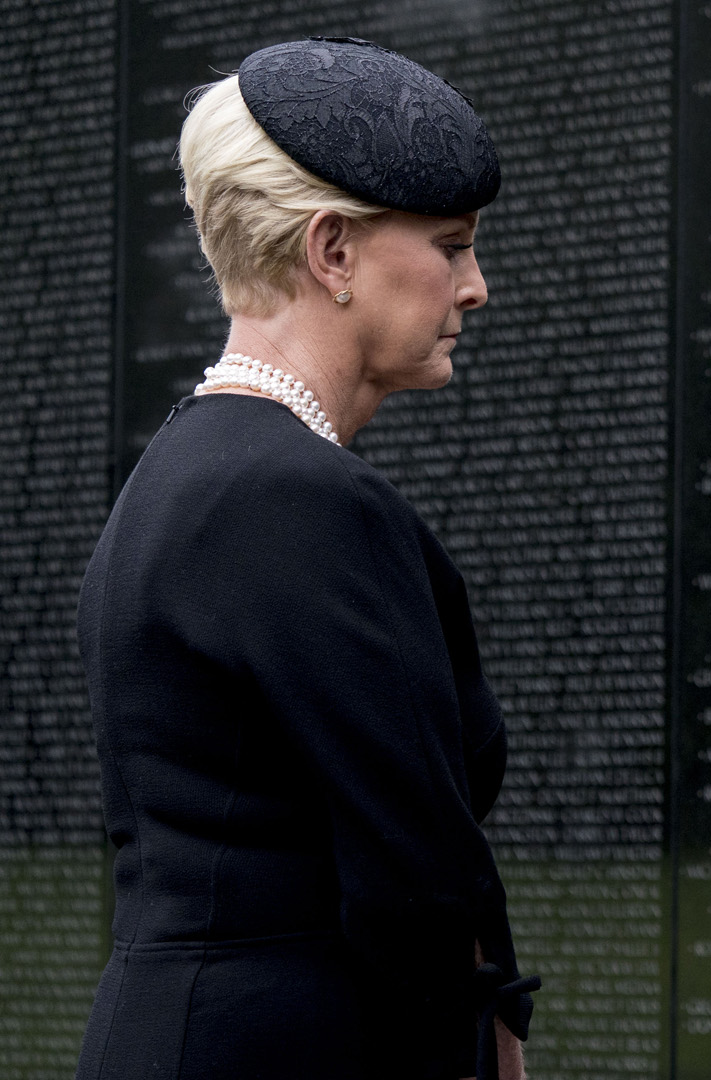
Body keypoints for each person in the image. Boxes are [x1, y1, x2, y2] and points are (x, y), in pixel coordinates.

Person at [75, 38, 537, 1080]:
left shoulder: (178, 477)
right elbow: (412, 874)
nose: (477, 287)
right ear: (332, 252)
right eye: (452, 244)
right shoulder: (300, 497)